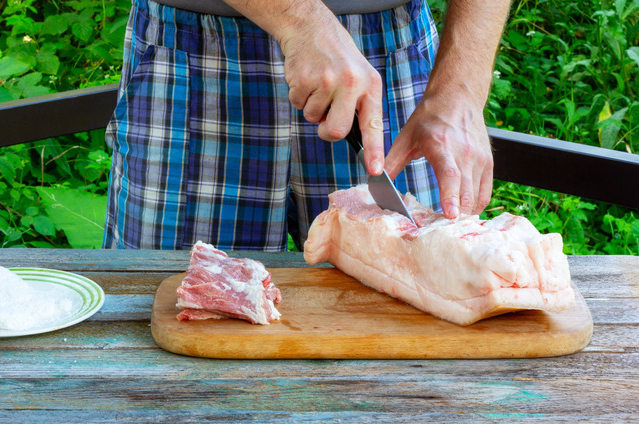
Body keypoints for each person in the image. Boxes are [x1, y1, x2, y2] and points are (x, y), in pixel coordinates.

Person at [103, 0, 511, 251]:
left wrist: (460, 86)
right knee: (173, 298)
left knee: (423, 293)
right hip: (193, 52)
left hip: (383, 65)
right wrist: (300, 20)